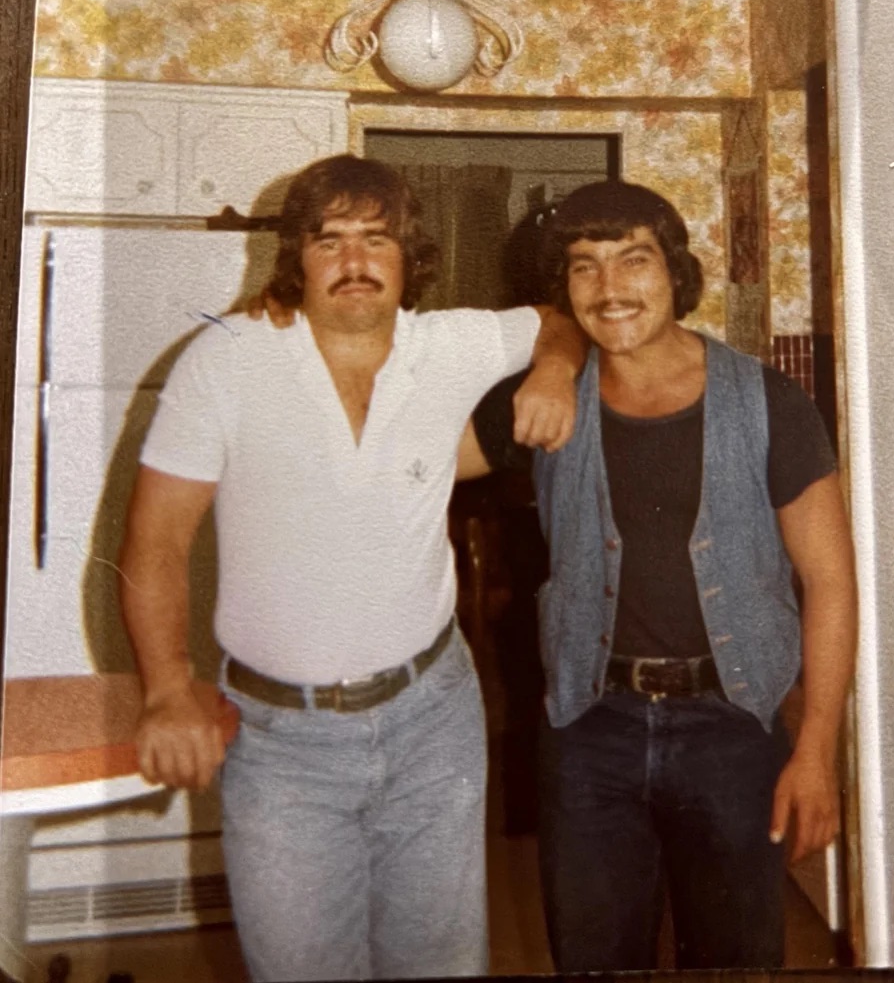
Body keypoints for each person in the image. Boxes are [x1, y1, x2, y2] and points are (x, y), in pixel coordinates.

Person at [118, 155, 583, 983]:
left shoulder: (449, 342)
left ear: (411, 259)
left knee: (440, 964)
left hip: (432, 721)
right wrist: (164, 688)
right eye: (328, 241)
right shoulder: (223, 362)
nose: (355, 260)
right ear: (295, 257)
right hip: (279, 742)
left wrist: (553, 368)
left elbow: (560, 320)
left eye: (377, 239)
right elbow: (154, 544)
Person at [460, 179, 857, 972]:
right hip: (587, 728)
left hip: (733, 728)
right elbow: (400, 470)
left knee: (735, 959)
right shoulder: (541, 400)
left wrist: (815, 749)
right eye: (584, 266)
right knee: (596, 958)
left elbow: (831, 581)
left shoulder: (769, 402)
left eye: (633, 259)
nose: (609, 288)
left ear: (674, 270)